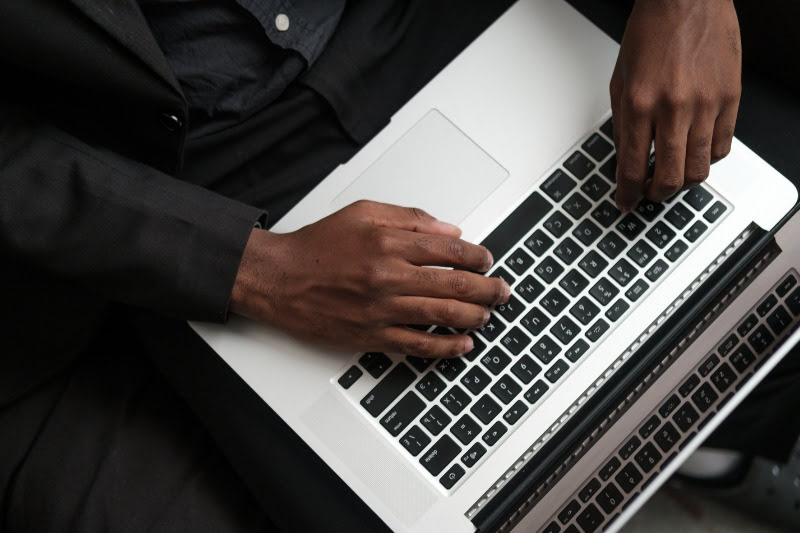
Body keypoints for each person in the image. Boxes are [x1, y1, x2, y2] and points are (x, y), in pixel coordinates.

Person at [0, 0, 795, 531]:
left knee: (758, 267)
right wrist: (253, 267)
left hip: (426, 17)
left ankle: (724, 449)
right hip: (181, 161)